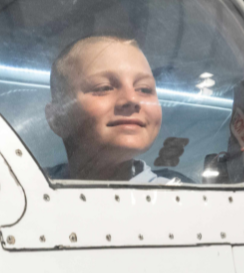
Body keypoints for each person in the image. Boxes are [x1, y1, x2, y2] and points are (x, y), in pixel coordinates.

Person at [45, 35, 185, 184]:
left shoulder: (182, 201)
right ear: (57, 118)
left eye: (144, 89)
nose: (132, 99)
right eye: (103, 88)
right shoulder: (27, 190)